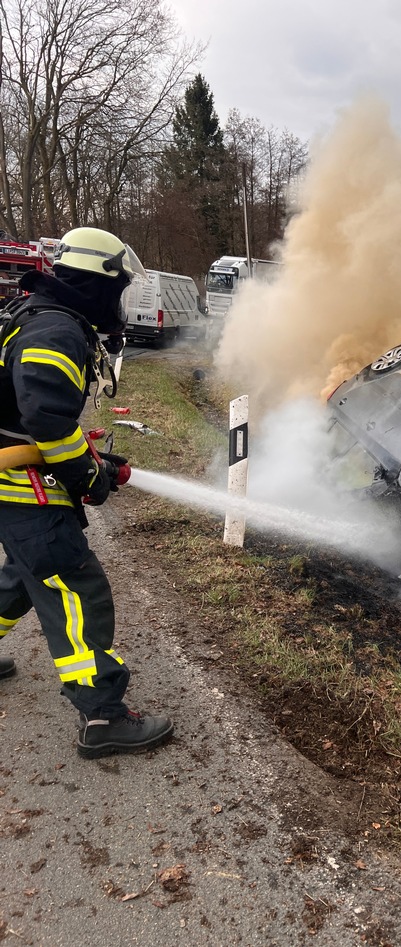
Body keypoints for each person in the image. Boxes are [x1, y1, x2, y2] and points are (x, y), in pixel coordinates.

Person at [0, 227, 173, 758]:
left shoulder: (40, 314)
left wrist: (91, 460)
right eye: (118, 286)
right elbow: (47, 418)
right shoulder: (57, 331)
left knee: (28, 574)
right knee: (75, 584)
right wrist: (87, 475)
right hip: (23, 484)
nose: (120, 299)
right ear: (99, 282)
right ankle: (103, 716)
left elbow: (40, 421)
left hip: (15, 475)